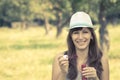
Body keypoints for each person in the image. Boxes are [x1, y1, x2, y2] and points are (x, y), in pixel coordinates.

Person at [52, 11, 109, 80]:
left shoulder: (102, 59)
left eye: (85, 32)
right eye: (76, 33)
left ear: (91, 35)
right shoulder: (60, 59)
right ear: (71, 36)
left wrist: (95, 78)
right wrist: (63, 72)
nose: (80, 37)